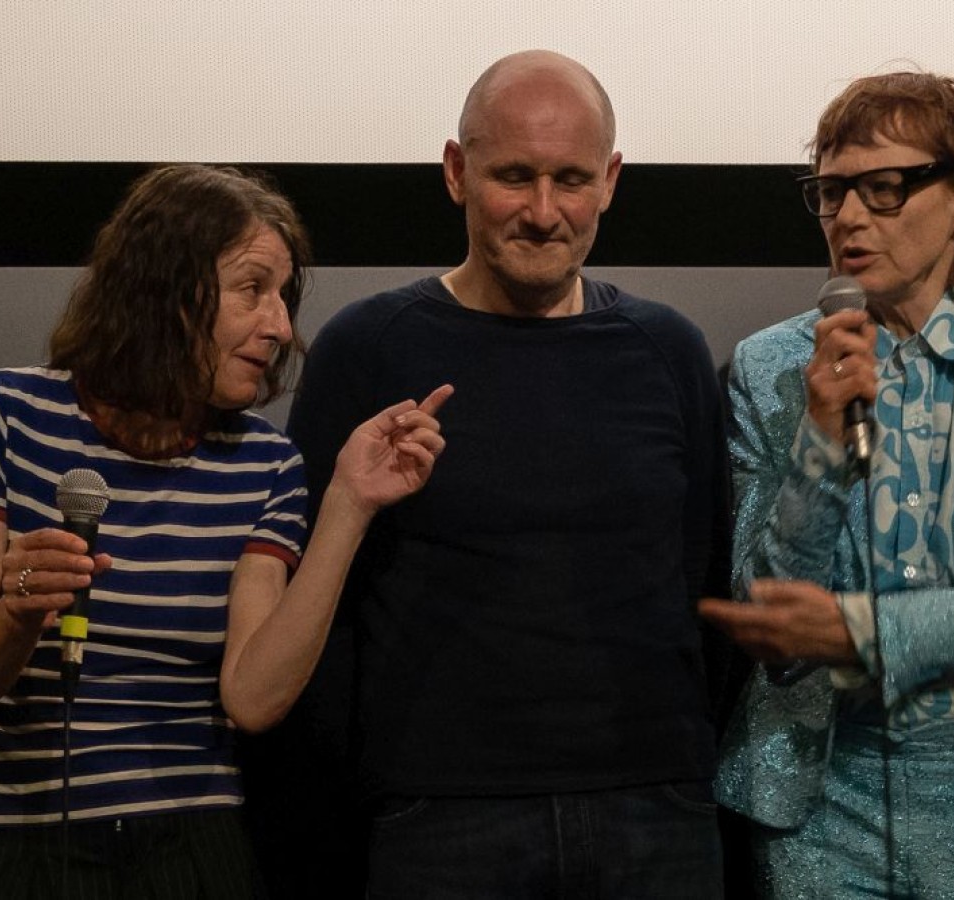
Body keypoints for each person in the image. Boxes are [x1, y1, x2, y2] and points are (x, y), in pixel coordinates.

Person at [0, 163, 450, 899]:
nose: (278, 326)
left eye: (282, 296)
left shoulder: (265, 467)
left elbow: (255, 698)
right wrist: (16, 611)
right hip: (9, 843)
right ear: (162, 288)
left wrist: (348, 505)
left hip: (190, 849)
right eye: (252, 289)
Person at [286, 50, 732, 899]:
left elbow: (703, 579)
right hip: (439, 820)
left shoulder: (667, 351)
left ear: (610, 180)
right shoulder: (366, 349)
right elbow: (316, 607)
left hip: (659, 810)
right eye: (513, 176)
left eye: (570, 179)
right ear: (457, 172)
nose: (542, 211)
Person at [699, 72, 954, 898]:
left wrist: (864, 630)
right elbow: (770, 608)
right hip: (823, 799)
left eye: (885, 189)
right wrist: (820, 439)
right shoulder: (775, 367)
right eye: (831, 191)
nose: (849, 217)